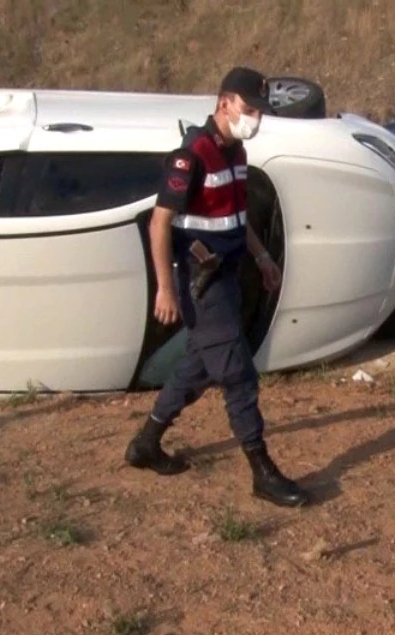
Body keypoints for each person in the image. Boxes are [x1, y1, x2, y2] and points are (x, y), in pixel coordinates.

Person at [123, 66, 309, 509]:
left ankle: (146, 443)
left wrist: (264, 259)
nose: (255, 120)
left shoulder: (238, 155)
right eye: (248, 110)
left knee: (199, 366)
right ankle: (262, 471)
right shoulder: (192, 156)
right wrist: (165, 289)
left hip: (228, 275)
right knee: (239, 374)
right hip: (200, 282)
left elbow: (237, 218)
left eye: (260, 112)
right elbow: (159, 224)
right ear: (224, 103)